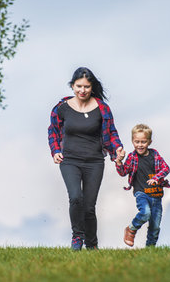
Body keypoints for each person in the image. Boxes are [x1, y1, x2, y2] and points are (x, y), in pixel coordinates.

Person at [48, 67, 123, 250]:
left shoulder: (102, 108)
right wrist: (55, 150)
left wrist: (118, 149)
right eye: (79, 86)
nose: (82, 90)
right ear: (72, 86)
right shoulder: (62, 108)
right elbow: (53, 131)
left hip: (94, 162)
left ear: (92, 87)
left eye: (87, 87)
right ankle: (77, 236)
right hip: (70, 160)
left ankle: (92, 245)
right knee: (75, 198)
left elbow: (111, 133)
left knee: (89, 206)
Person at [115, 124, 170, 247]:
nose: (140, 145)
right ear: (132, 141)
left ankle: (150, 250)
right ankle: (131, 229)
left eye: (143, 142)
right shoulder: (132, 157)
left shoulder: (155, 155)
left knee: (155, 227)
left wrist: (157, 178)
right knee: (145, 213)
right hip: (142, 193)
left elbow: (166, 168)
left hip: (156, 195)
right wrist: (119, 161)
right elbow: (123, 172)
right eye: (137, 142)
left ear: (149, 142)